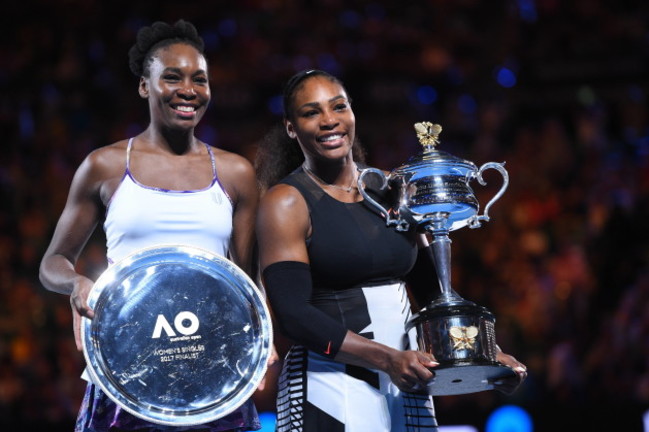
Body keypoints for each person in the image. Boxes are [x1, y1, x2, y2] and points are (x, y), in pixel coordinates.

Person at [255, 69, 527, 432]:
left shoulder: (396, 190)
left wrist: (487, 353)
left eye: (339, 106)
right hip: (329, 387)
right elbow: (293, 316)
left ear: (352, 113)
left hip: (405, 382)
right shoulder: (286, 201)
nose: (329, 120)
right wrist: (386, 359)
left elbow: (435, 292)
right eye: (311, 112)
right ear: (291, 127)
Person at [39, 20, 269, 432]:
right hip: (125, 368)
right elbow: (53, 261)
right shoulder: (104, 165)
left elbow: (248, 281)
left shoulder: (236, 172)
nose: (189, 90)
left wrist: (262, 338)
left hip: (212, 373)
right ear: (145, 86)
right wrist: (76, 284)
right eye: (172, 77)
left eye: (200, 79)